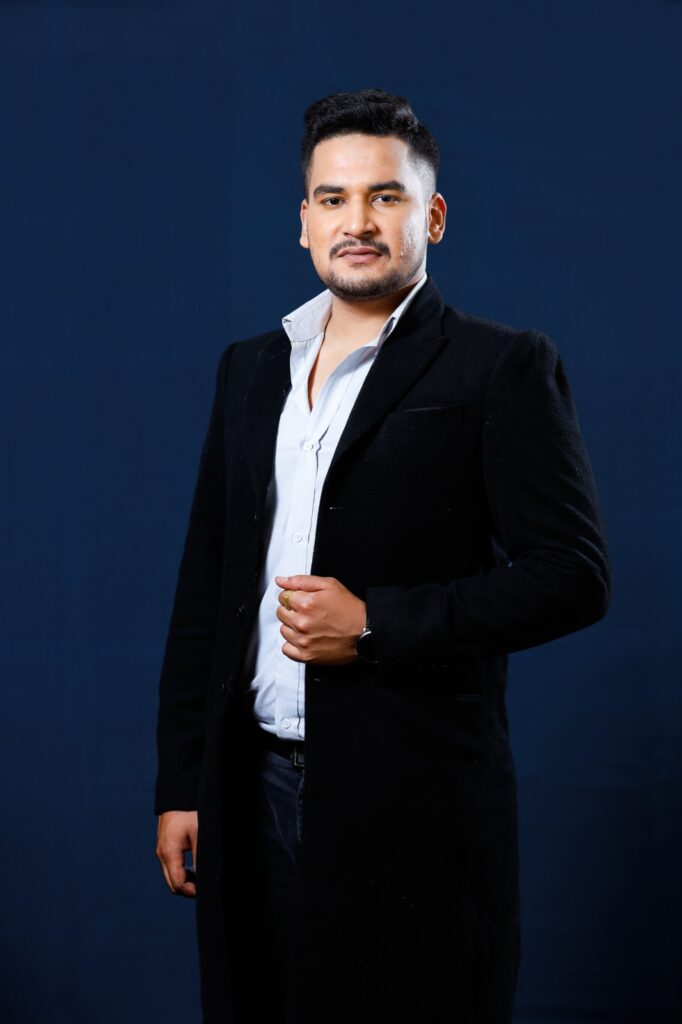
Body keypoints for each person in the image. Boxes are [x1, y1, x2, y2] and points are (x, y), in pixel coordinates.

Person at [153, 88, 611, 1024]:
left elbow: (574, 575)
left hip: (414, 804)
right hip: (248, 789)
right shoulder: (250, 369)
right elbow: (207, 586)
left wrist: (374, 625)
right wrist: (183, 783)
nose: (356, 221)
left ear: (431, 217)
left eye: (385, 196)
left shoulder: (500, 366)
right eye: (333, 198)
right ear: (304, 221)